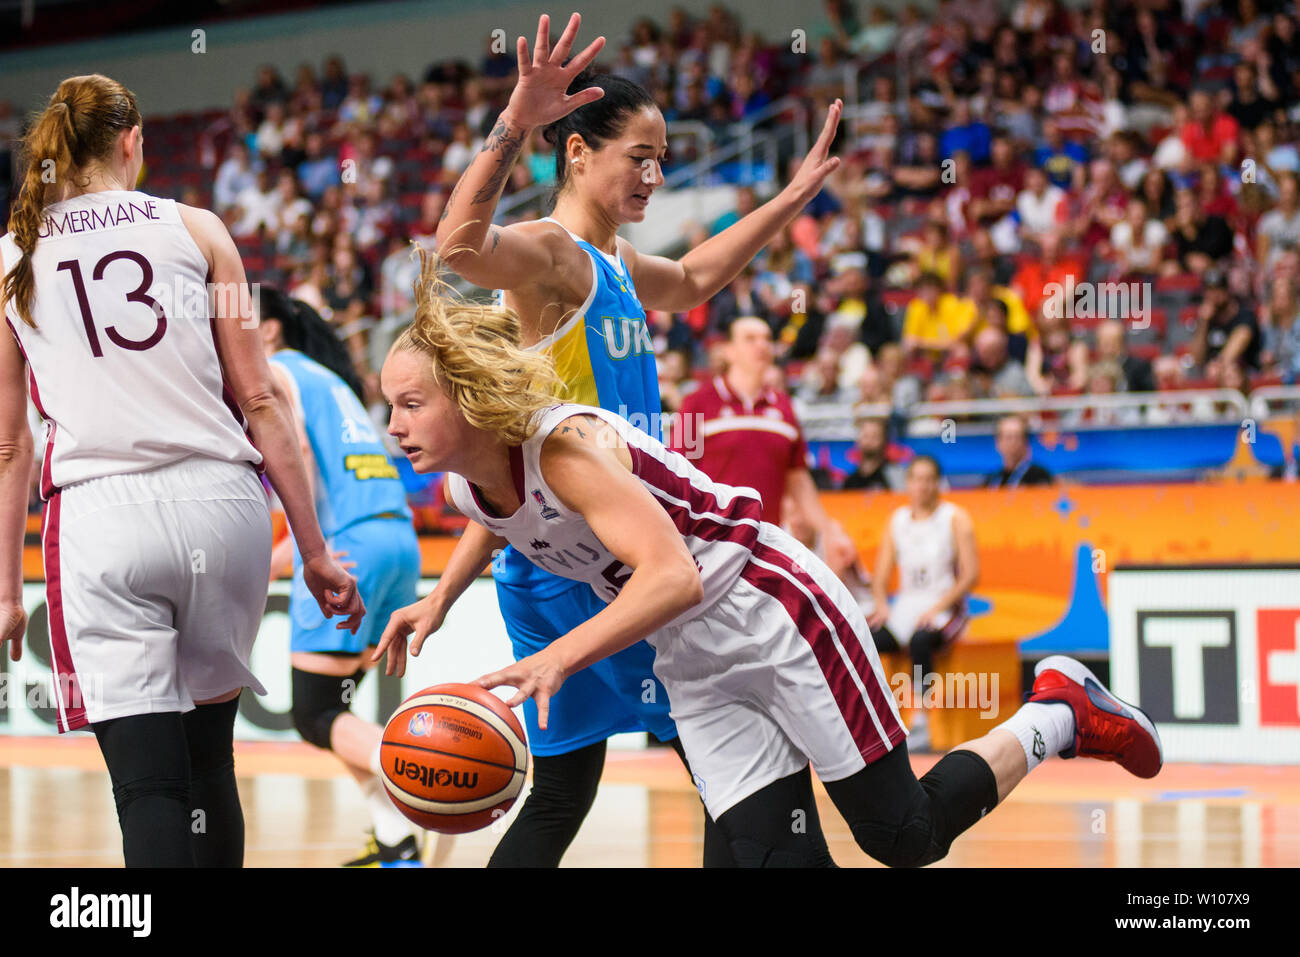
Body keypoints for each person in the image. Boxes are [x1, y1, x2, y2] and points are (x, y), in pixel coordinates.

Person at [373, 258, 1164, 868]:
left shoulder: (568, 447)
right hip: (690, 656)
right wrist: (439, 598)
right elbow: (501, 518)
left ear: (469, 392)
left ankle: (1058, 708)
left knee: (903, 835)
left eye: (412, 404)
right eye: (388, 406)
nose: (395, 424)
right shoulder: (467, 486)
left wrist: (556, 658)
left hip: (771, 607)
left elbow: (672, 574)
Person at [393, 12, 850, 867]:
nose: (655, 172)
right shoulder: (554, 257)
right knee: (732, 772)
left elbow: (702, 274)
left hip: (557, 557)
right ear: (576, 155)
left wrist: (788, 199)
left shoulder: (617, 264)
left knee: (570, 791)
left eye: (663, 157)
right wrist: (514, 123)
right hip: (598, 571)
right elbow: (458, 247)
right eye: (638, 155)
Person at [0, 74, 362, 867]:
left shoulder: (12, 255)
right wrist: (314, 548)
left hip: (102, 518)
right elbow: (261, 398)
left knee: (150, 790)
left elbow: (10, 447)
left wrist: (2, 588)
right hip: (223, 507)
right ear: (134, 140)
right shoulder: (200, 230)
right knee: (210, 767)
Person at [258, 289, 429, 867]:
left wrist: (301, 548)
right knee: (333, 708)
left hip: (349, 543)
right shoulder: (330, 381)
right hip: (396, 540)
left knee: (314, 711)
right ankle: (396, 840)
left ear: (270, 331)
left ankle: (444, 777)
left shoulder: (276, 370)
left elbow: (296, 449)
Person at [673, 315, 857, 572]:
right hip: (710, 547)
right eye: (750, 339)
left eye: (767, 339)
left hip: (767, 546)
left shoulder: (784, 406)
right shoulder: (697, 404)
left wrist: (827, 530)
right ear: (729, 352)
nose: (762, 345)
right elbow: (680, 477)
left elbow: (798, 480)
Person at [866, 456, 978, 751]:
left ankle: (923, 722)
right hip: (907, 605)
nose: (923, 486)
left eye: (929, 479)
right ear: (908, 483)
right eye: (917, 479)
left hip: (946, 606)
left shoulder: (955, 518)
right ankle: (875, 718)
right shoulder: (897, 521)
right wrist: (882, 606)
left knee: (920, 641)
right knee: (870, 640)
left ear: (938, 483)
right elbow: (879, 577)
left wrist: (937, 608)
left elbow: (970, 576)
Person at [985, 414, 1055, 487]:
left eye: (1017, 437)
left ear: (1026, 441)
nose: (1013, 442)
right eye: (1008, 437)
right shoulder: (992, 480)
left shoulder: (1039, 476)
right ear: (998, 442)